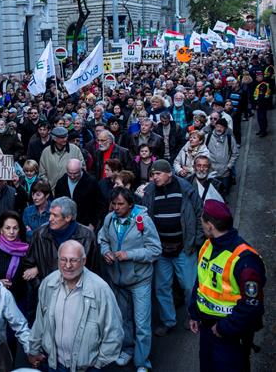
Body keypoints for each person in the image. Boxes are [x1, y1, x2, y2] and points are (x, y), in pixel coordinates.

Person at [188, 200, 266, 372]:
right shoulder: (208, 244)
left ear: (210, 225)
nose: (201, 224)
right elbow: (201, 281)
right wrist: (194, 312)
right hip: (207, 328)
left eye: (202, 220)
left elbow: (252, 305)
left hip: (230, 333)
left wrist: (224, 328)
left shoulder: (245, 259)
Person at [28, 240, 123, 371]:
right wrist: (33, 349)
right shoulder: (48, 283)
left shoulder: (100, 289)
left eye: (73, 260)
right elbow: (40, 321)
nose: (67, 265)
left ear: (83, 261)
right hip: (55, 364)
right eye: (63, 260)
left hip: (87, 368)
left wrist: (98, 365)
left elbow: (114, 332)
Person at [98, 187, 162, 371]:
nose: (116, 208)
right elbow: (102, 239)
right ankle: (127, 349)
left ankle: (142, 362)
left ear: (131, 205)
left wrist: (130, 254)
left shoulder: (143, 221)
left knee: (142, 323)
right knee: (123, 318)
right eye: (114, 204)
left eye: (121, 204)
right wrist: (106, 252)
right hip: (117, 279)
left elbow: (155, 250)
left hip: (139, 280)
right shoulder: (109, 219)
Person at [141, 159, 203, 337]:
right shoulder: (150, 192)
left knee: (189, 285)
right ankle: (168, 321)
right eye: (152, 174)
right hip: (161, 250)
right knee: (162, 287)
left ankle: (193, 316)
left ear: (169, 173)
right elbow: (145, 217)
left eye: (158, 174)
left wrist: (196, 241)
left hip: (184, 248)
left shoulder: (185, 189)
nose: (154, 177)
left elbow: (199, 213)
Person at [23, 197, 98, 284]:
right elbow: (28, 265)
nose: (50, 219)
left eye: (55, 215)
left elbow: (94, 269)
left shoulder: (87, 236)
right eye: (50, 214)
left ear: (68, 218)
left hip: (77, 291)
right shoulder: (39, 234)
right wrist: (41, 286)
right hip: (48, 291)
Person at [54, 158, 104, 230]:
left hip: (85, 225)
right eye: (70, 173)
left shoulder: (91, 183)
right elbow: (57, 204)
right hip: (65, 225)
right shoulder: (61, 182)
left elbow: (100, 205)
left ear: (81, 170)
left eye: (75, 173)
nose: (72, 176)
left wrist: (93, 224)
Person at [205, 118, 239, 196]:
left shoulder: (230, 139)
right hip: (211, 171)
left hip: (224, 173)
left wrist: (229, 166)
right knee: (212, 194)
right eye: (217, 126)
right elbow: (202, 150)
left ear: (225, 129)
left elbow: (235, 154)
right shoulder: (208, 137)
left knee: (224, 193)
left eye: (221, 127)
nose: (219, 129)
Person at [252, 70, 271, 137]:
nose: (256, 78)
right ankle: (261, 129)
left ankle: (264, 131)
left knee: (262, 118)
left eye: (258, 77)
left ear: (261, 77)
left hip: (262, 104)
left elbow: (261, 97)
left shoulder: (263, 85)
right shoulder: (260, 84)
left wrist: (257, 104)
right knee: (259, 118)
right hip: (261, 104)